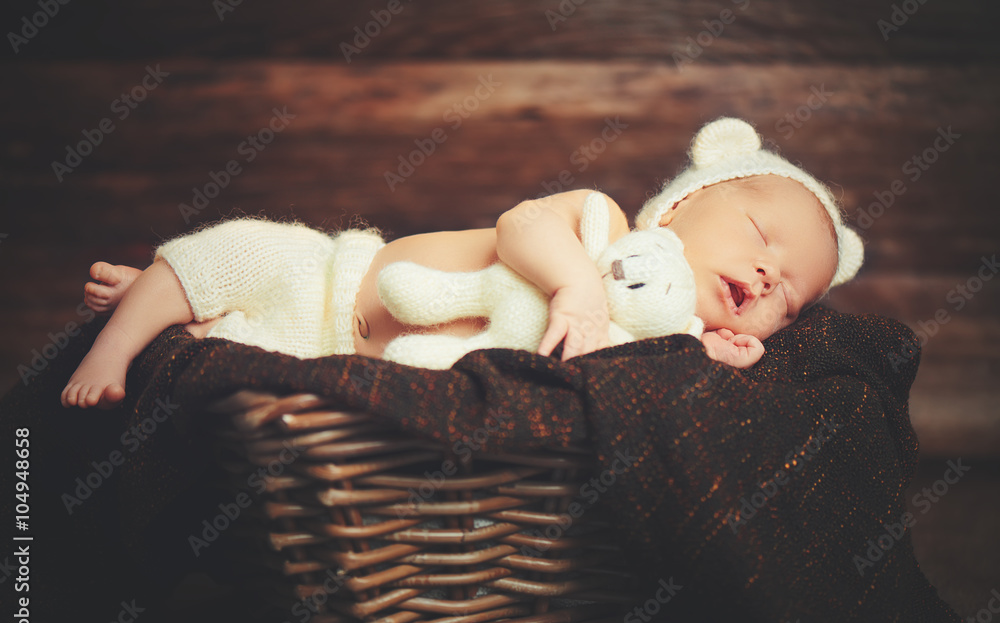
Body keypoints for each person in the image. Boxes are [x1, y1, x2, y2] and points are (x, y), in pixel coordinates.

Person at [61, 117, 863, 409]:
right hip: (337, 280)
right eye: (762, 238)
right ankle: (125, 336)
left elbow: (652, 395)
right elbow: (520, 225)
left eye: (786, 299)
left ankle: (181, 317)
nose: (766, 279)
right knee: (239, 247)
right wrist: (576, 283)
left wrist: (711, 355)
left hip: (336, 365)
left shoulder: (660, 340)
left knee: (234, 365)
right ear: (683, 205)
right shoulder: (604, 226)